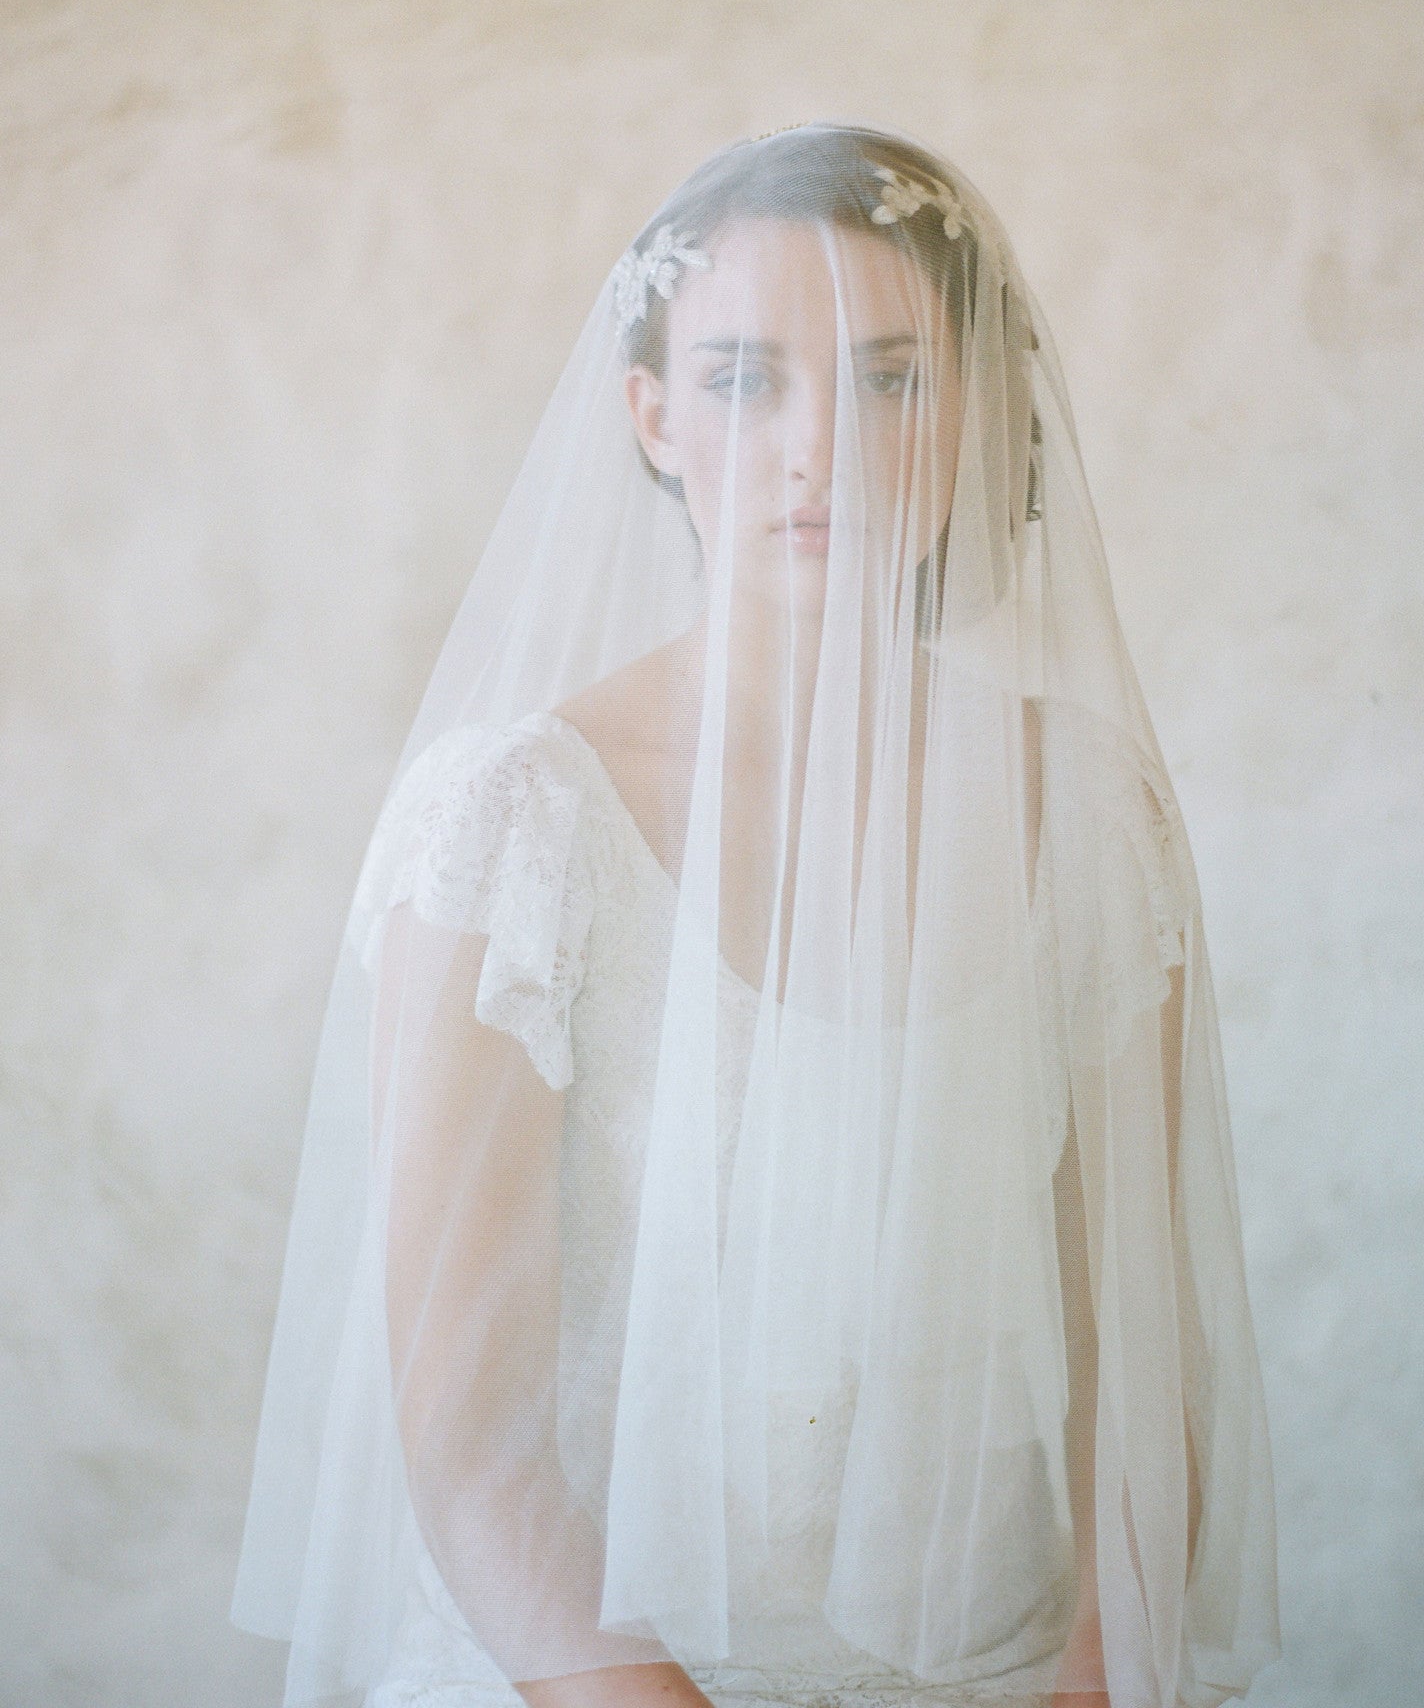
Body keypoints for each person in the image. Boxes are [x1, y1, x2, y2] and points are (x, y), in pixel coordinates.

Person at [233, 125, 1280, 1708]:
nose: (822, 448)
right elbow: (467, 1437)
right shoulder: (513, 826)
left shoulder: (1091, 814)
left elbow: (1140, 1362)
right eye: (743, 379)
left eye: (892, 379)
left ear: (978, 403)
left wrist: (1085, 1681)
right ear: (652, 418)